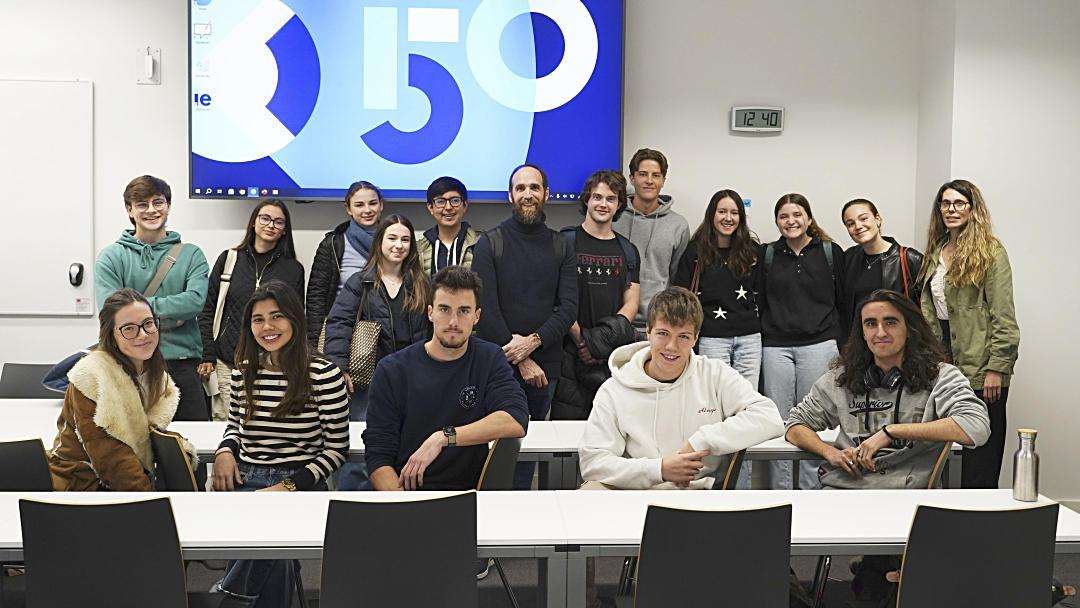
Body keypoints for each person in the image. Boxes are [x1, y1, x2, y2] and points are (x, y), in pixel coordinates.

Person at [785, 289, 990, 601]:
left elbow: (977, 426)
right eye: (870, 324)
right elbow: (796, 424)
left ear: (910, 327)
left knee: (885, 588)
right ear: (862, 331)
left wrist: (892, 431)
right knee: (766, 544)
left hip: (907, 498)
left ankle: (880, 573)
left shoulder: (941, 377)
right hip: (843, 493)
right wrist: (831, 452)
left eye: (890, 322)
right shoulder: (840, 377)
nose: (880, 332)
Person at [211, 280, 349, 608]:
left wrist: (287, 486)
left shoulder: (324, 374)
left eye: (276, 317)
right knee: (275, 556)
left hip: (300, 481)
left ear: (294, 320)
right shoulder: (243, 370)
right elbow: (235, 427)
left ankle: (231, 597)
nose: (267, 327)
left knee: (266, 537)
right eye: (258, 319)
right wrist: (224, 452)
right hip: (246, 477)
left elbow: (337, 450)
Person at [578, 286, 784, 490]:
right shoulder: (615, 389)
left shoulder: (714, 375)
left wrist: (702, 441)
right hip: (634, 494)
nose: (671, 346)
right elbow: (593, 463)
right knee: (587, 494)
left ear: (695, 338)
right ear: (647, 332)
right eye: (663, 334)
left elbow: (769, 417)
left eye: (683, 336)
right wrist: (658, 470)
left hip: (697, 497)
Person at [364, 266, 528, 491]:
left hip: (469, 494)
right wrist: (400, 503)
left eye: (463, 311)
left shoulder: (489, 358)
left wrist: (444, 437)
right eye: (444, 309)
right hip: (406, 493)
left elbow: (515, 419)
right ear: (430, 312)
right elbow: (377, 455)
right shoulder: (393, 369)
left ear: (476, 316)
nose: (453, 321)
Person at [472, 164, 577, 489]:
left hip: (546, 369)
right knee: (496, 454)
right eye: (520, 188)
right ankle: (493, 525)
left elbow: (569, 307)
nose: (527, 194)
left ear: (546, 193)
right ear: (510, 195)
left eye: (534, 187)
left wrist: (532, 343)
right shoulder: (490, 243)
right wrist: (520, 357)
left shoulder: (562, 245)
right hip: (498, 366)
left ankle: (527, 526)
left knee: (533, 453)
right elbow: (483, 310)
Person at [916, 179, 1019, 488]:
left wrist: (996, 368)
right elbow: (930, 313)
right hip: (944, 361)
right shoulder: (936, 251)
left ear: (973, 208)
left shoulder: (990, 250)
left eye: (959, 203)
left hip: (980, 361)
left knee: (982, 449)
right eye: (945, 204)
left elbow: (1004, 315)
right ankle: (948, 516)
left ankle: (982, 518)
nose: (951, 209)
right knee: (946, 444)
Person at [48, 288, 195, 491]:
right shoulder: (92, 376)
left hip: (129, 479)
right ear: (111, 335)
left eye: (148, 324)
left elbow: (145, 436)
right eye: (129, 328)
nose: (143, 335)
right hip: (80, 484)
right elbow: (110, 456)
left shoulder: (157, 377)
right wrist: (150, 500)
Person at [324, 215, 432, 489]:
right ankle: (353, 506)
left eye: (405, 239)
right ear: (380, 242)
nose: (399, 245)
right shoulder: (360, 283)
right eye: (392, 238)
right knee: (362, 451)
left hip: (414, 381)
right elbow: (339, 323)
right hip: (368, 382)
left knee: (408, 446)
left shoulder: (422, 284)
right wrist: (340, 366)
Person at [94, 175, 210, 420]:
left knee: (193, 448)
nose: (151, 210)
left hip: (181, 366)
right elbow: (111, 311)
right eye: (142, 204)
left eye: (158, 202)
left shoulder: (191, 254)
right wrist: (170, 316)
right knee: (131, 450)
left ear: (168, 206)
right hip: (129, 367)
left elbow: (195, 302)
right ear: (129, 210)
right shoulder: (111, 257)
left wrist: (136, 313)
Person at [758, 193, 846, 489]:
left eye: (797, 215)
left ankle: (812, 490)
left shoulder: (831, 252)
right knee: (779, 422)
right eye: (784, 216)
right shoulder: (767, 254)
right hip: (776, 348)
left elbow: (843, 304)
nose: (791, 221)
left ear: (809, 218)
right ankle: (781, 491)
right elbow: (760, 299)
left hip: (819, 345)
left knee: (813, 421)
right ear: (777, 222)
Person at [197, 199, 305, 420]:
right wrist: (207, 354)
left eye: (278, 221)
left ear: (285, 230)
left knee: (266, 423)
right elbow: (208, 310)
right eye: (265, 218)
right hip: (227, 361)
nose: (271, 225)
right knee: (227, 425)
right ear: (253, 223)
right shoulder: (229, 259)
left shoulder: (293, 269)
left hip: (273, 365)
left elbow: (296, 318)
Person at [552, 170, 640, 420]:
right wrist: (584, 342)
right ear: (586, 200)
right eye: (597, 197)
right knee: (567, 439)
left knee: (611, 434)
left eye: (611, 199)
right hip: (569, 355)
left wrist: (601, 343)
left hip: (612, 358)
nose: (603, 204)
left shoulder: (628, 250)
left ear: (619, 204)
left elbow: (631, 301)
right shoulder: (564, 241)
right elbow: (557, 298)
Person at [674, 188, 762, 386]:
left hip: (749, 338)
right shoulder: (694, 252)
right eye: (722, 212)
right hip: (712, 337)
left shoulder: (753, 251)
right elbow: (682, 297)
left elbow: (762, 293)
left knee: (747, 399)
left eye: (734, 212)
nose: (728, 218)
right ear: (711, 214)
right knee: (714, 396)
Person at [612, 148, 690, 332]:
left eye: (656, 175)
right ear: (632, 178)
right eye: (642, 174)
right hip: (616, 322)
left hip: (658, 324)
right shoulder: (614, 218)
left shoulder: (678, 225)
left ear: (663, 180)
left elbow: (677, 278)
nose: (649, 181)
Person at [306, 180, 384, 346]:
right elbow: (316, 297)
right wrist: (314, 344)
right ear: (349, 209)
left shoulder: (395, 243)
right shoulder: (333, 244)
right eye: (359, 205)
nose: (367, 210)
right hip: (341, 331)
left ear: (381, 205)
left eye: (373, 203)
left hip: (384, 332)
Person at [840, 198, 923, 341]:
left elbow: (926, 310)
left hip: (897, 343)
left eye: (863, 219)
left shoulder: (909, 258)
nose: (858, 226)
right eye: (850, 224)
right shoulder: (848, 258)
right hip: (860, 344)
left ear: (877, 219)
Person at [416, 176, 482, 274]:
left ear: (464, 205)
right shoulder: (419, 249)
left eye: (455, 201)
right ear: (430, 208)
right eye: (440, 202)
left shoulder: (481, 244)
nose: (448, 207)